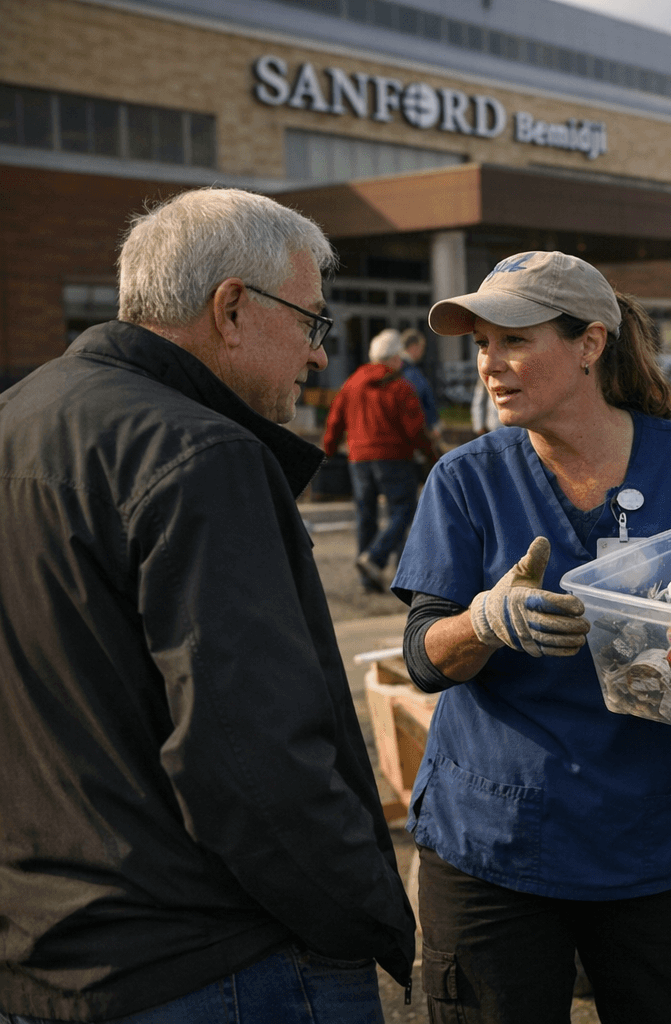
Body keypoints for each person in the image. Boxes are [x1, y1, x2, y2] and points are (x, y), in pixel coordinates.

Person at [0, 187, 415, 1022]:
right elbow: (253, 759)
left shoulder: (17, 416)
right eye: (310, 323)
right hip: (211, 961)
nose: (317, 358)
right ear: (232, 308)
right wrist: (371, 916)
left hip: (41, 950)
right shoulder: (200, 455)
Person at [391, 251, 671, 1023]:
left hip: (656, 842)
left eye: (514, 340)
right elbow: (423, 656)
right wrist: (481, 622)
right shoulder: (466, 479)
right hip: (498, 841)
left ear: (590, 344)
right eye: (481, 343)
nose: (490, 364)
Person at [322, 327, 437, 591]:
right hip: (395, 458)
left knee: (366, 515)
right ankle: (376, 558)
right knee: (404, 510)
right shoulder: (400, 386)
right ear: (395, 358)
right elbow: (415, 429)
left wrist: (328, 450)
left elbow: (335, 419)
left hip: (358, 458)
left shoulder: (352, 383)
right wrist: (431, 455)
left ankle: (368, 578)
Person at [399, 327, 444, 450]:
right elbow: (417, 403)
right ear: (413, 347)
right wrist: (431, 427)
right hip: (419, 433)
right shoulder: (410, 372)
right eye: (421, 347)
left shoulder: (401, 370)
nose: (422, 352)